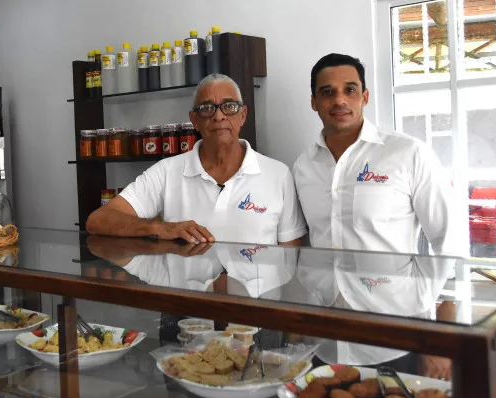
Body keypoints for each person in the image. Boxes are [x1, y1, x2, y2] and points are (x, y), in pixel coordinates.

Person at [87, 73, 307, 246]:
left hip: (256, 301)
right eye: (207, 108)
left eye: (229, 107)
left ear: (243, 115)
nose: (218, 116)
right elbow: (98, 220)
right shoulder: (166, 172)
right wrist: (161, 228)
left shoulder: (278, 175)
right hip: (189, 300)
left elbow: (290, 257)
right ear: (194, 120)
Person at [293, 53, 462, 255]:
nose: (339, 100)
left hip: (391, 287)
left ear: (365, 97)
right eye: (328, 92)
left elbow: (448, 240)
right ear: (314, 102)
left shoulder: (409, 154)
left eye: (350, 90)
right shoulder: (304, 166)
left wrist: (428, 286)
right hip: (322, 288)